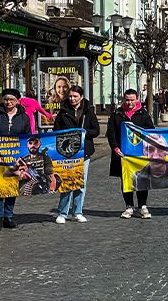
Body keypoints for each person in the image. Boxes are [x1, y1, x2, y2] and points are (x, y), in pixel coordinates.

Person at [0, 88, 32, 230]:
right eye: (6, 99)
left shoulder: (24, 117)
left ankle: (8, 216)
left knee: (12, 186)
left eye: (11, 100)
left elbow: (28, 135)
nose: (8, 102)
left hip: (16, 156)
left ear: (17, 101)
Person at [52, 85, 99, 224]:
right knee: (66, 182)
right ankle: (62, 212)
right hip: (67, 154)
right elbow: (56, 131)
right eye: (70, 96)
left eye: (75, 96)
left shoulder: (88, 112)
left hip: (84, 152)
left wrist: (84, 133)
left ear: (81, 97)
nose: (72, 99)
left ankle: (78, 211)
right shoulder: (63, 112)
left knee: (80, 183)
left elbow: (96, 130)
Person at [107, 89, 156, 219]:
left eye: (132, 100)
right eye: (127, 100)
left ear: (137, 99)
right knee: (126, 180)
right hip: (122, 154)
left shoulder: (143, 114)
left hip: (140, 154)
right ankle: (129, 206)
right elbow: (111, 133)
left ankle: (142, 206)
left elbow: (151, 132)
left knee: (142, 179)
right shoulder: (117, 114)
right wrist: (115, 148)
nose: (129, 103)